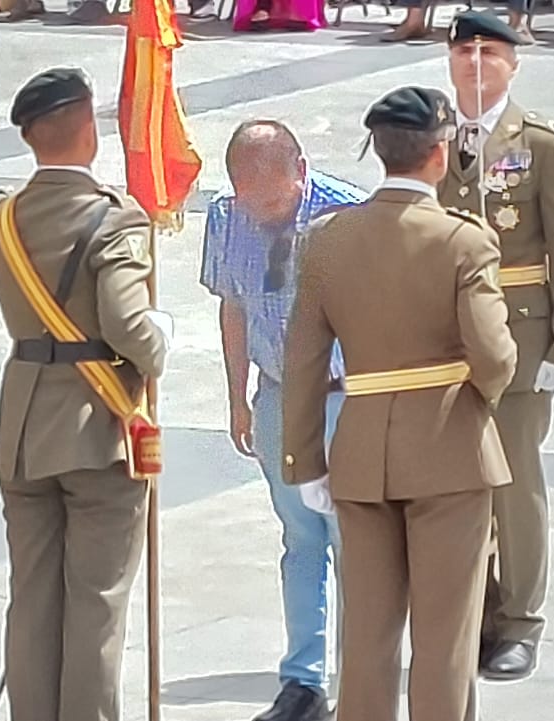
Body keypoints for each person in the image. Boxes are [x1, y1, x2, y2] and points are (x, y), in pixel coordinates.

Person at [280, 85, 519, 721]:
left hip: (359, 455)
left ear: (378, 153)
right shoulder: (464, 241)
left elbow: (301, 361)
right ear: (439, 155)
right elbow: (494, 356)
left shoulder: (328, 239)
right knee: (444, 639)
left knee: (367, 639)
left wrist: (304, 462)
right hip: (450, 454)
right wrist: (476, 401)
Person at [0, 67, 172, 721]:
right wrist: (158, 342)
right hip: (98, 429)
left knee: (32, 598)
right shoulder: (115, 219)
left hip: (26, 424)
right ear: (89, 128)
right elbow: (124, 321)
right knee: (96, 601)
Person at [438, 11, 554, 683]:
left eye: (490, 51)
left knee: (515, 484)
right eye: (465, 50)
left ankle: (521, 619)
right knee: (457, 484)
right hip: (446, 338)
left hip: (521, 335)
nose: (476, 62)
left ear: (513, 63)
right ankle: (477, 609)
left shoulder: (541, 144)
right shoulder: (434, 137)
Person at [199, 120, 366, 721]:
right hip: (277, 397)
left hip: (346, 399)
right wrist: (237, 395)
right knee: (300, 540)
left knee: (354, 544)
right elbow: (233, 306)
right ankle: (303, 680)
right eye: (251, 199)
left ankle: (359, 677)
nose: (263, 214)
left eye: (274, 201)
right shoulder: (225, 217)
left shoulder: (351, 217)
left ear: (302, 171)